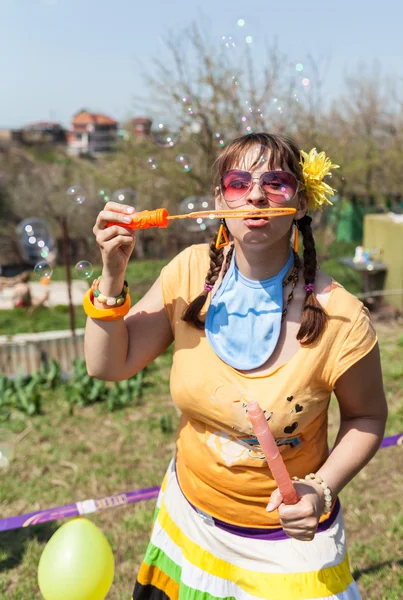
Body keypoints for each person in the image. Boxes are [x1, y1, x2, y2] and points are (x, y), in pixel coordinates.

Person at [84, 133, 387, 600]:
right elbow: (109, 365)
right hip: (190, 520)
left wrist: (321, 489)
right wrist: (112, 273)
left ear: (302, 203)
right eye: (238, 182)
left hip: (285, 544)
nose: (256, 194)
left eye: (276, 182)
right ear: (220, 201)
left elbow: (367, 417)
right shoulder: (187, 274)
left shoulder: (342, 317)